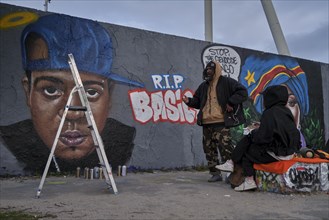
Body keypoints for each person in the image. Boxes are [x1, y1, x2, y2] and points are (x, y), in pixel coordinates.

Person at [0, 14, 143, 175]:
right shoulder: (9, 142)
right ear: (28, 92)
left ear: (110, 95)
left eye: (91, 92)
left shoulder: (124, 141)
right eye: (51, 90)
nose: (74, 113)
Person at [219, 85, 301, 191]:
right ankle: (232, 163)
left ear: (271, 98)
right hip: (288, 152)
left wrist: (254, 134)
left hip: (278, 154)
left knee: (247, 152)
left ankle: (248, 179)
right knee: (250, 140)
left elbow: (262, 138)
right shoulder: (286, 112)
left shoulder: (270, 113)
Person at [182, 61, 248, 182]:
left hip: (222, 122)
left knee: (226, 149)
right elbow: (197, 101)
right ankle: (215, 174)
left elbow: (242, 92)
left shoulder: (227, 82)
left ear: (216, 70)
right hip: (206, 123)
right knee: (209, 149)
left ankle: (232, 175)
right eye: (207, 69)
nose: (208, 71)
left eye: (210, 70)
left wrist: (231, 102)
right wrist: (189, 101)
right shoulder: (203, 86)